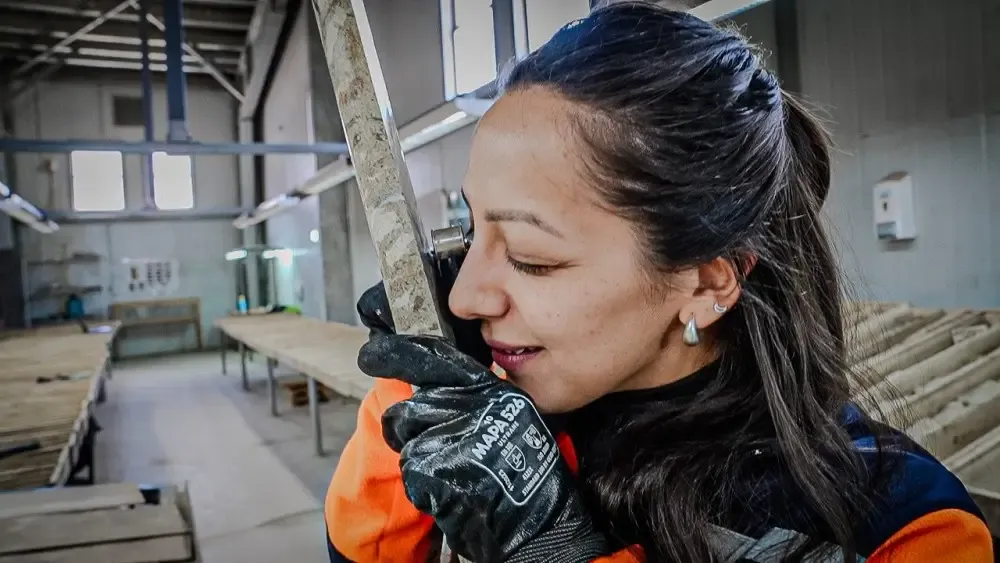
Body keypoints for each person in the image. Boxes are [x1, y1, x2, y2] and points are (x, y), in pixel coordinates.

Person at [324, 2, 994, 562]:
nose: (467, 295)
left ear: (707, 281)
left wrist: (557, 548)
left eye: (530, 256)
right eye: (472, 232)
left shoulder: (902, 524)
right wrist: (417, 390)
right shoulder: (522, 428)